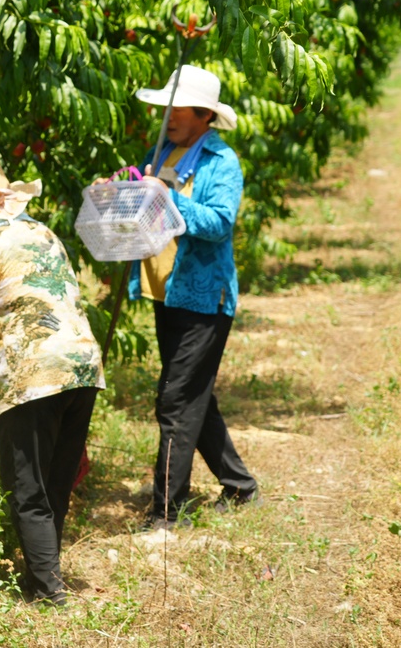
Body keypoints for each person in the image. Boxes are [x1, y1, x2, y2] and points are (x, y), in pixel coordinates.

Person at [0, 156, 104, 605]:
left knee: (27, 486)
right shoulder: (44, 233)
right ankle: (44, 575)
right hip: (83, 366)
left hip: (32, 373)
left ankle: (48, 592)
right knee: (56, 480)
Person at [126, 64, 258, 529]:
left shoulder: (221, 162)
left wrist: (169, 197)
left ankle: (167, 509)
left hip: (204, 297)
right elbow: (144, 213)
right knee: (192, 394)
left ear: (204, 115)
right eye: (166, 108)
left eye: (177, 108)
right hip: (165, 292)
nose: (168, 116)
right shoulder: (158, 152)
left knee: (176, 400)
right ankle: (239, 485)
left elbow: (220, 223)